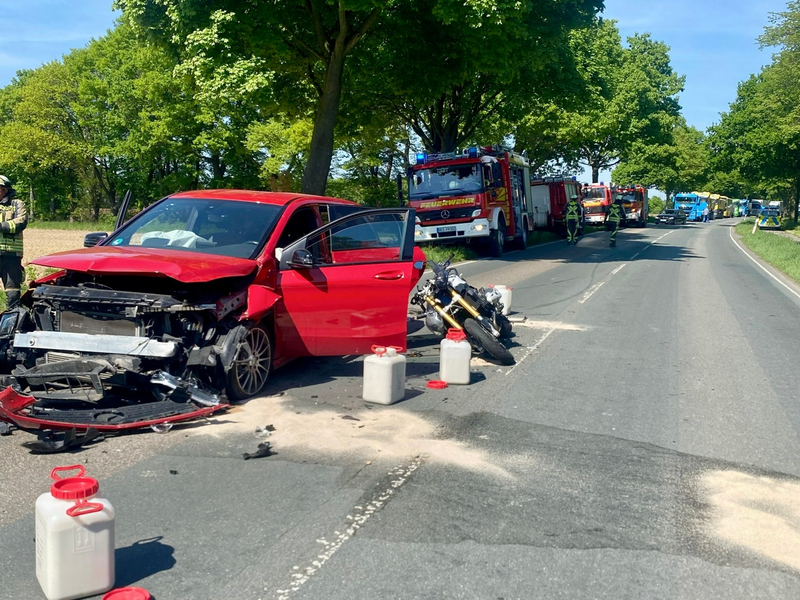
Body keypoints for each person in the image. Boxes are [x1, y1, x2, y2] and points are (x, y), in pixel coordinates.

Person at [0, 175, 28, 308]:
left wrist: (1, 226)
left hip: (11, 256)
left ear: (4, 190)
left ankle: (14, 321)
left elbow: (20, 222)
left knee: (13, 293)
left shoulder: (17, 204)